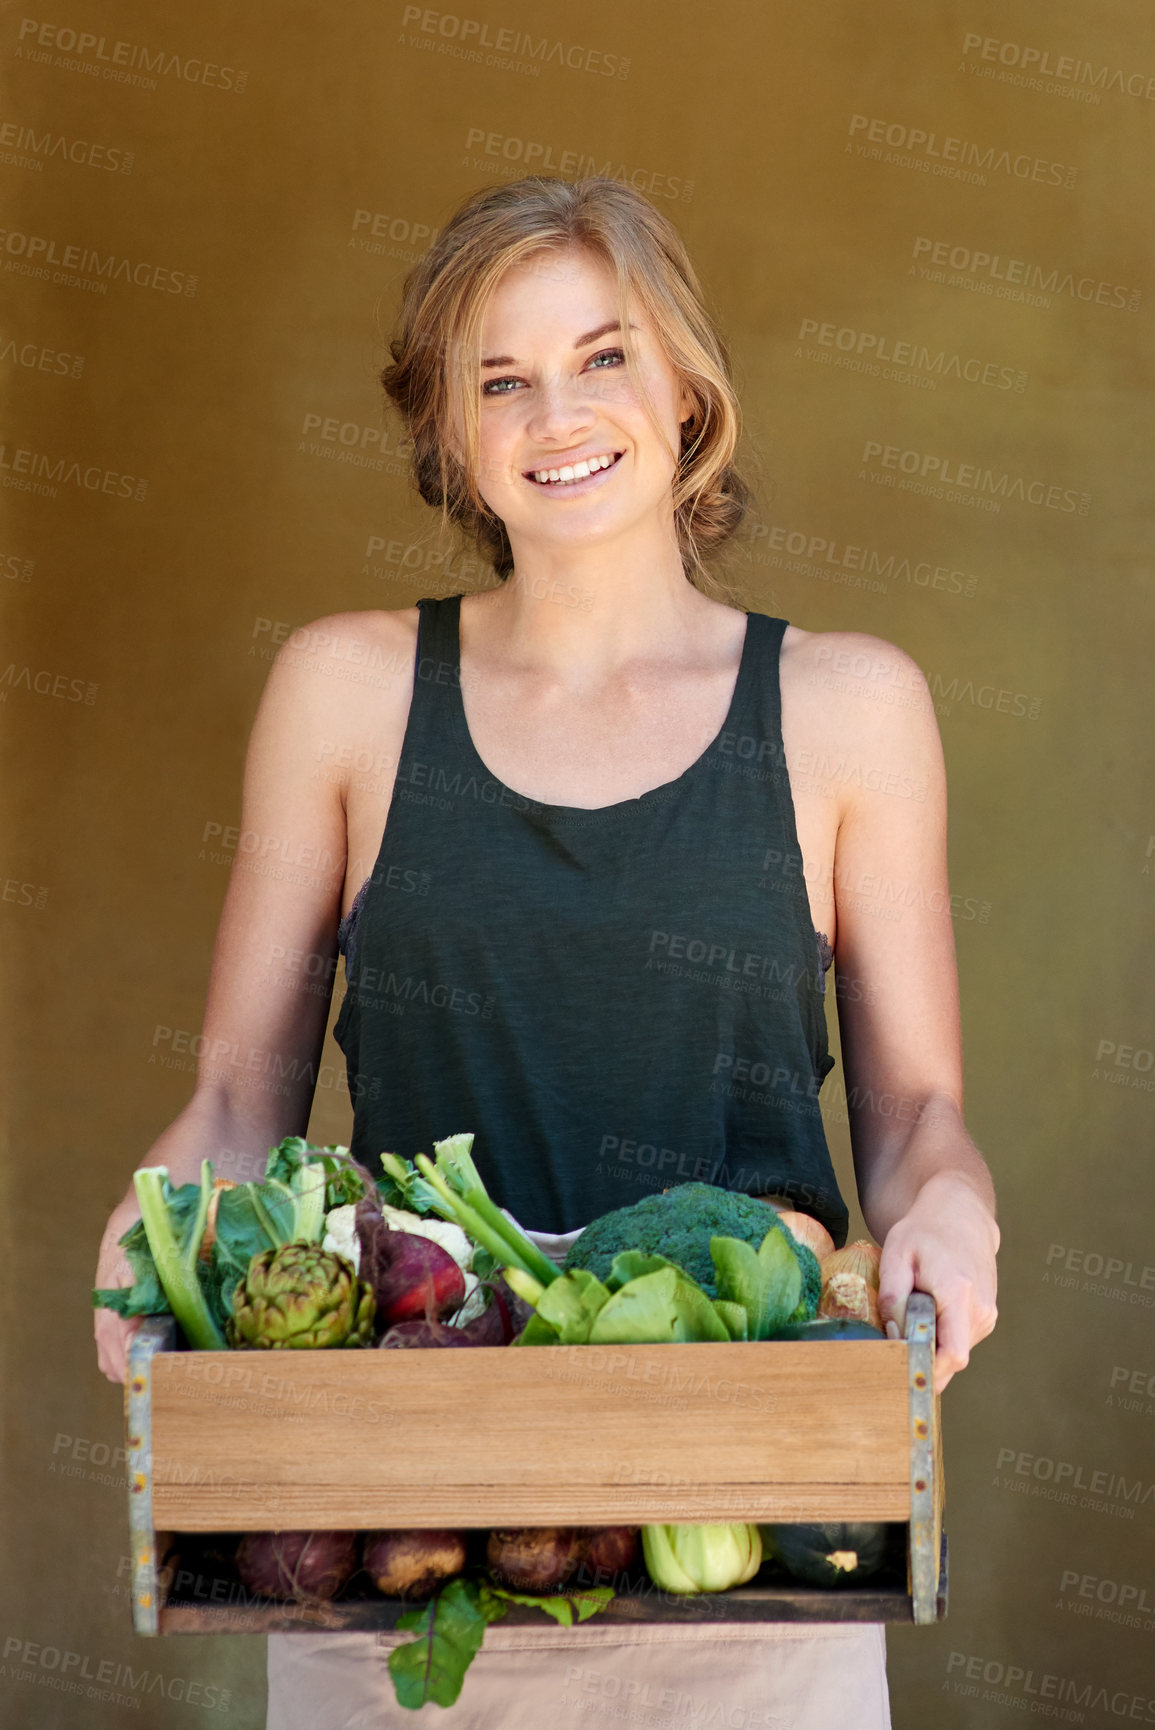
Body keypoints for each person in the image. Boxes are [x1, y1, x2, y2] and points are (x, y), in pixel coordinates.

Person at [94, 175, 999, 1729]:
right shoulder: (346, 693)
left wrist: (954, 1209)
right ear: (447, 433)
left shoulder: (852, 709)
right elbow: (241, 1102)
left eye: (604, 356)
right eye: (498, 378)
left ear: (688, 392)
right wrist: (154, 1223)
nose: (555, 412)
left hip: (746, 1558)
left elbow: (915, 1118)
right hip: (401, 1559)